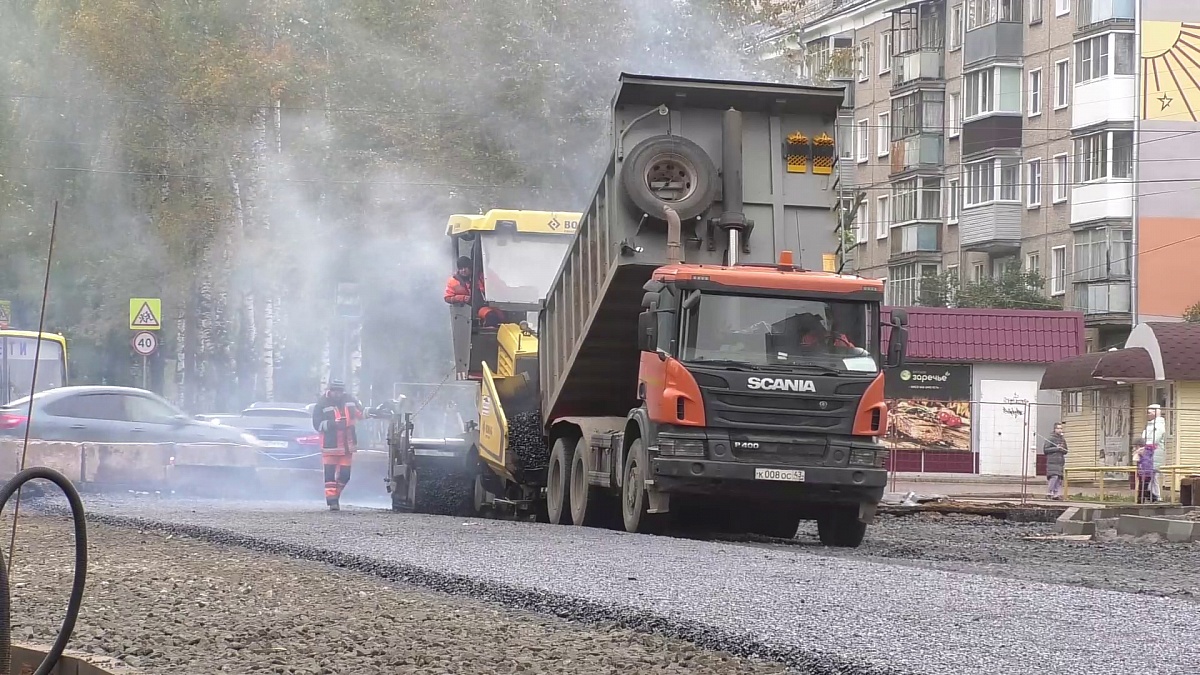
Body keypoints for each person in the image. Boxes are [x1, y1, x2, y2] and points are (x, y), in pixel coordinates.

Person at [312, 379, 363, 511]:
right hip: (330, 445)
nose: (337, 394)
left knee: (345, 475)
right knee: (329, 476)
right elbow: (317, 424)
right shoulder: (321, 404)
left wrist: (376, 412)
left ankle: (335, 496)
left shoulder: (350, 400)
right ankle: (332, 502)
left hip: (347, 445)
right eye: (335, 390)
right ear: (330, 390)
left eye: (340, 391)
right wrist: (333, 424)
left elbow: (360, 413)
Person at [444, 256, 501, 328]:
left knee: (498, 315)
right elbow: (447, 298)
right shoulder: (453, 281)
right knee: (491, 316)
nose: (463, 270)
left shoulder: (480, 276)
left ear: (470, 267)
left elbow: (496, 285)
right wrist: (463, 298)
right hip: (466, 310)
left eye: (465, 267)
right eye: (461, 268)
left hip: (482, 306)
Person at [1143, 404, 1167, 501]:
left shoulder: (1159, 426)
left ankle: (1155, 495)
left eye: (1150, 412)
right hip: (1149, 452)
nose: (1148, 414)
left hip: (1154, 453)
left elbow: (1154, 440)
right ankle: (1152, 494)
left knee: (1153, 475)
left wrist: (1144, 446)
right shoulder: (1151, 425)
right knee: (1151, 475)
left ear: (1156, 412)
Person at [1043, 422, 1068, 501]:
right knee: (1054, 477)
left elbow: (1066, 451)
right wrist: (1056, 448)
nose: (1060, 430)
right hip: (1052, 461)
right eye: (1058, 428)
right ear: (1055, 429)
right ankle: (1049, 492)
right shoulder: (1050, 439)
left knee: (1059, 479)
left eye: (1061, 428)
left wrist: (1062, 449)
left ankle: (1056, 494)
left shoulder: (1063, 440)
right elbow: (1045, 450)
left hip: (1060, 461)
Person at [1133, 437, 1155, 504]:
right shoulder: (1147, 452)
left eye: (1135, 446)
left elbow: (1144, 462)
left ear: (1139, 446)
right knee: (1142, 488)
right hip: (1145, 472)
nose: (1135, 448)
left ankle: (1152, 498)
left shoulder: (1142, 452)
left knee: (1142, 488)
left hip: (1145, 473)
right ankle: (1142, 501)